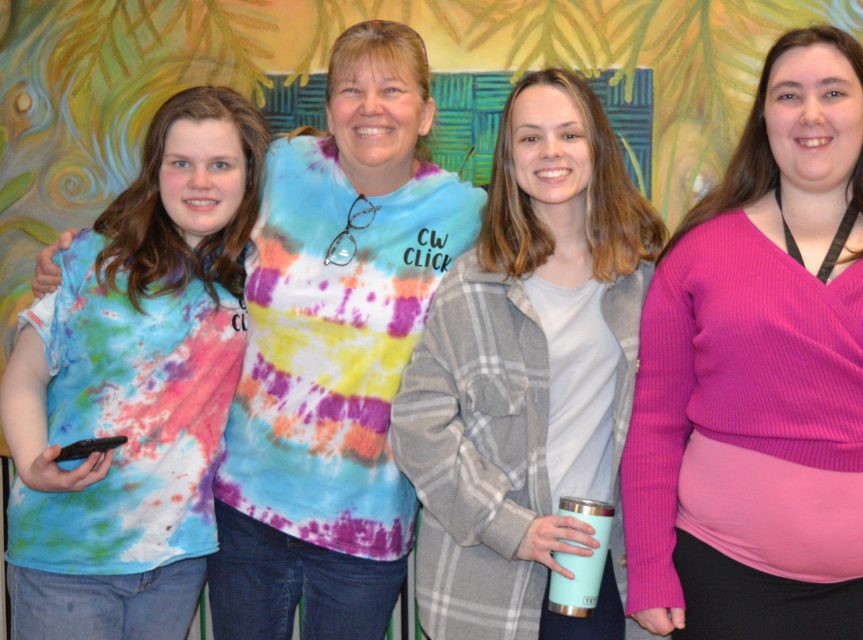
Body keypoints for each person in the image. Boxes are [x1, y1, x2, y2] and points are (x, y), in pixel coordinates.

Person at [31, 20, 485, 640]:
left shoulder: (467, 214)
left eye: (392, 90)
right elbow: (182, 204)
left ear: (427, 113)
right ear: (329, 111)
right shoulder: (282, 169)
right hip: (243, 511)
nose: (370, 107)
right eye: (351, 90)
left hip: (366, 525)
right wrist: (80, 255)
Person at [620, 25, 863, 640]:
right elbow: (656, 424)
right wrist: (650, 568)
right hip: (725, 587)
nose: (811, 114)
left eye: (833, 92)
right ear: (764, 116)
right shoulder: (698, 252)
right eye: (788, 95)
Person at [390, 67, 668, 640]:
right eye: (530, 137)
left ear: (597, 147)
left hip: (603, 569)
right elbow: (417, 427)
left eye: (569, 134)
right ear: (510, 157)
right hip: (490, 579)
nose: (550, 152)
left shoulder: (643, 281)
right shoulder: (472, 285)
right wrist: (507, 525)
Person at [1, 85, 271, 640]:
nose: (200, 181)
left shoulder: (259, 279)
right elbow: (24, 374)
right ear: (156, 171)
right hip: (65, 554)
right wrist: (31, 463)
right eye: (181, 163)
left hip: (177, 559)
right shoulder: (90, 260)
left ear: (248, 177)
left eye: (220, 164)